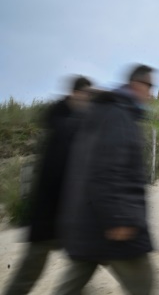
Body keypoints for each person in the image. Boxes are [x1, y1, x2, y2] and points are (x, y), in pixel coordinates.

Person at [55, 65, 157, 295]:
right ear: (137, 85)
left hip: (87, 224)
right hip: (112, 228)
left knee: (69, 289)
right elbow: (106, 169)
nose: (151, 93)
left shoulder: (106, 112)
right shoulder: (118, 115)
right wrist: (118, 219)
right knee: (145, 287)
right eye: (150, 86)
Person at [2, 76, 93, 295]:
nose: (89, 102)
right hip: (48, 215)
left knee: (80, 269)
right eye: (87, 96)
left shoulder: (67, 122)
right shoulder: (62, 125)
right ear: (75, 94)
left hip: (64, 215)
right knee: (29, 274)